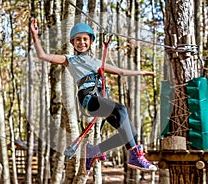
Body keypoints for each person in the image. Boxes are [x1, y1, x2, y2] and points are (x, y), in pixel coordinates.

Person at [30, 19, 157, 172]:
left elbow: (121, 72)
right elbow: (43, 56)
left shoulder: (97, 62)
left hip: (101, 98)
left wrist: (142, 72)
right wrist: (35, 36)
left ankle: (94, 150)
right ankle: (135, 156)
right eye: (77, 39)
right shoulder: (69, 60)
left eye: (84, 39)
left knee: (128, 130)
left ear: (90, 41)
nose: (81, 42)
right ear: (72, 42)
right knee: (121, 109)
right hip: (88, 98)